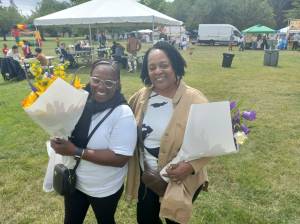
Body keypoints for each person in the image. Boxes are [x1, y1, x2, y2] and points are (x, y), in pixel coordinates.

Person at [125, 41, 210, 224]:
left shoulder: (196, 99)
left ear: (175, 65)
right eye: (152, 67)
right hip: (148, 177)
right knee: (146, 219)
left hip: (180, 179)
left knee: (174, 220)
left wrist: (188, 167)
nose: (158, 71)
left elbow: (211, 142)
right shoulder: (141, 96)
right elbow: (121, 115)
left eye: (164, 65)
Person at [50, 60, 137, 224]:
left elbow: (120, 159)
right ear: (90, 78)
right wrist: (56, 134)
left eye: (109, 83)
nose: (101, 87)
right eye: (96, 80)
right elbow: (66, 128)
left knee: (105, 220)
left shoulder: (122, 113)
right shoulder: (80, 101)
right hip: (74, 180)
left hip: (103, 188)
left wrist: (75, 151)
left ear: (118, 84)